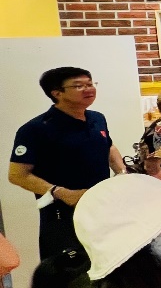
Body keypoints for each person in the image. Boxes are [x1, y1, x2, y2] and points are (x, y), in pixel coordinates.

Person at [10, 67, 125, 259]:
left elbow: (108, 146)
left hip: (102, 205)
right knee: (72, 269)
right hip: (63, 212)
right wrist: (62, 193)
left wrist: (122, 173)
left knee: (112, 260)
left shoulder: (97, 118)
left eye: (90, 84)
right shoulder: (35, 129)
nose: (89, 89)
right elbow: (17, 175)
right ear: (57, 93)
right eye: (79, 86)